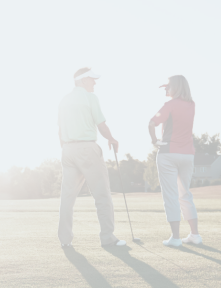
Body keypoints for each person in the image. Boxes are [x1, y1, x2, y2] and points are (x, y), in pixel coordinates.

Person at [58, 67, 126, 248]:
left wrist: (65, 149)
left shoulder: (64, 100)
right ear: (82, 80)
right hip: (87, 148)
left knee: (67, 198)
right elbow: (102, 125)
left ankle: (65, 241)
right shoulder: (90, 98)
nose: (95, 82)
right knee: (102, 195)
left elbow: (59, 130)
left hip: (67, 150)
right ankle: (108, 238)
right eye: (92, 79)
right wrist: (111, 139)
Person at [148, 75, 201, 247]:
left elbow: (151, 123)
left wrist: (154, 141)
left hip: (168, 153)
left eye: (168, 87)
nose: (165, 89)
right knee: (185, 194)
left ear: (176, 88)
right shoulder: (191, 105)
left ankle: (175, 238)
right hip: (188, 155)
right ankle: (195, 235)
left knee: (171, 196)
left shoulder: (169, 105)